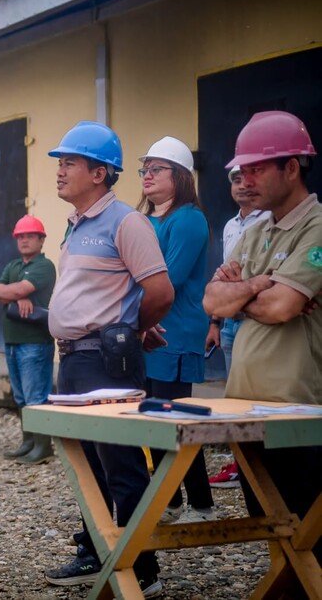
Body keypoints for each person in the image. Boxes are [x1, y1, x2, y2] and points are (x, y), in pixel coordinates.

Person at [43, 121, 174, 597]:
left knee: (121, 465)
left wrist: (132, 327)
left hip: (107, 360)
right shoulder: (76, 225)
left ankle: (143, 569)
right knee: (87, 465)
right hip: (75, 360)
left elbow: (160, 291)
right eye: (60, 163)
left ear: (100, 173)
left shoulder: (126, 222)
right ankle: (95, 550)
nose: (60, 171)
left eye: (70, 163)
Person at [203, 110, 321, 568]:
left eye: (255, 168)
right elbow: (212, 302)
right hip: (246, 407)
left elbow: (282, 308)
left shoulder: (316, 227)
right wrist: (258, 284)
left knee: (306, 535)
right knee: (271, 532)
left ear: (291, 168)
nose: (243, 179)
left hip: (298, 411)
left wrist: (244, 294)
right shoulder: (256, 230)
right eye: (240, 170)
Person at [135, 136, 215, 524]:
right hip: (146, 333)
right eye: (144, 170)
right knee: (153, 420)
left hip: (175, 332)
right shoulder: (144, 219)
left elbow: (168, 278)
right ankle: (171, 501)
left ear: (180, 175)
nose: (147, 176)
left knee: (178, 423)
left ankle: (201, 504)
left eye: (156, 169)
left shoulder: (188, 219)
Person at [205, 166, 270, 490]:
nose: (243, 185)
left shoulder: (270, 223)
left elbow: (268, 280)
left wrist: (235, 290)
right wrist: (216, 321)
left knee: (261, 397)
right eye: (235, 179)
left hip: (259, 321)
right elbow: (221, 279)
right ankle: (238, 464)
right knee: (235, 397)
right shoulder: (232, 225)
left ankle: (261, 465)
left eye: (250, 178)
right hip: (229, 322)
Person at [0, 214, 56, 464]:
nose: (25, 240)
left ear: (41, 240)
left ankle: (43, 446)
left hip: (35, 342)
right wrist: (16, 294)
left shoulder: (44, 266)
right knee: (20, 397)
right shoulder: (14, 266)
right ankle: (28, 442)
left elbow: (13, 290)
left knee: (35, 395)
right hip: (13, 342)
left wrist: (14, 292)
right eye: (21, 236)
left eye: (30, 236)